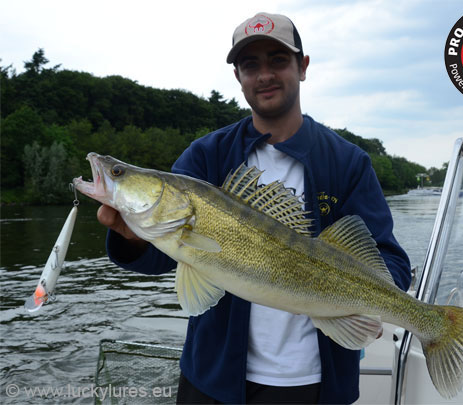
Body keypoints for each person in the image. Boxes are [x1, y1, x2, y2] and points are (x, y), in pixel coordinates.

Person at [99, 12, 411, 404]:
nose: (264, 75)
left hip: (313, 384)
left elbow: (391, 261)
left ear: (303, 67)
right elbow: (163, 261)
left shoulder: (347, 162)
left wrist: (366, 303)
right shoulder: (206, 156)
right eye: (251, 65)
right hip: (214, 378)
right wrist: (132, 237)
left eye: (278, 60)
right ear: (238, 77)